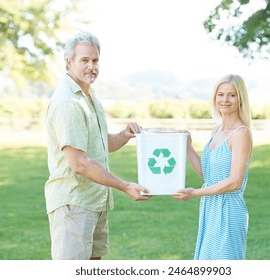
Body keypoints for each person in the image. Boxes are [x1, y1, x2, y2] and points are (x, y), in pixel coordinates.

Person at [45, 31, 150, 260]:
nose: (91, 66)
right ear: (69, 62)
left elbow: (100, 145)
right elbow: (80, 164)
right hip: (74, 204)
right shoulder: (69, 103)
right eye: (84, 60)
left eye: (95, 60)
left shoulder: (89, 97)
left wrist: (124, 135)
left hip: (94, 202)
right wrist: (124, 186)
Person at [173, 74, 253, 260]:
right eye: (221, 94)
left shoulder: (241, 134)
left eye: (231, 95)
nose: (225, 100)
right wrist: (188, 147)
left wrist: (194, 194)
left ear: (240, 99)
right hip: (210, 207)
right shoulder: (217, 130)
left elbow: (235, 182)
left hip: (229, 209)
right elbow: (208, 174)